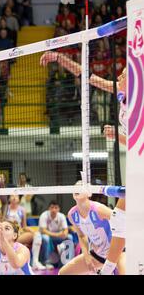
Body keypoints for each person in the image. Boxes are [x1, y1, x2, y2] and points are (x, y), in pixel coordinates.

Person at [40, 51, 126, 275]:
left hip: (119, 251)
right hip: (97, 253)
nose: (120, 75)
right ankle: (106, 267)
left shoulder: (138, 98)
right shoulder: (120, 91)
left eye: (125, 74)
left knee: (122, 215)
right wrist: (59, 58)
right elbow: (87, 76)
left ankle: (110, 267)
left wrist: (118, 136)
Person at [59, 188, 125, 275]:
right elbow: (81, 236)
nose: (77, 189)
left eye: (81, 187)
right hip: (98, 255)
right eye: (75, 187)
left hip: (118, 252)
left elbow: (121, 221)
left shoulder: (99, 209)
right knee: (63, 273)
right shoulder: (72, 214)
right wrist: (86, 256)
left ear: (89, 194)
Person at [4, 194, 44, 269]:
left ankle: (35, 261)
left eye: (16, 196)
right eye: (12, 196)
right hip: (7, 236)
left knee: (37, 235)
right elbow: (2, 223)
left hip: (18, 235)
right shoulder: (5, 208)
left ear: (19, 198)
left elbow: (24, 226)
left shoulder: (22, 210)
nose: (14, 197)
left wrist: (33, 231)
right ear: (9, 198)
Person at [34, 200, 74, 269]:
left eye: (56, 208)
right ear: (49, 208)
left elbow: (66, 230)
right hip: (46, 236)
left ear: (59, 209)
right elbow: (43, 231)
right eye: (52, 207)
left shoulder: (61, 216)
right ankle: (46, 262)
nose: (54, 210)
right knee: (46, 238)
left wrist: (64, 234)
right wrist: (58, 235)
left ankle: (67, 261)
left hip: (57, 237)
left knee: (69, 237)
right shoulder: (44, 215)